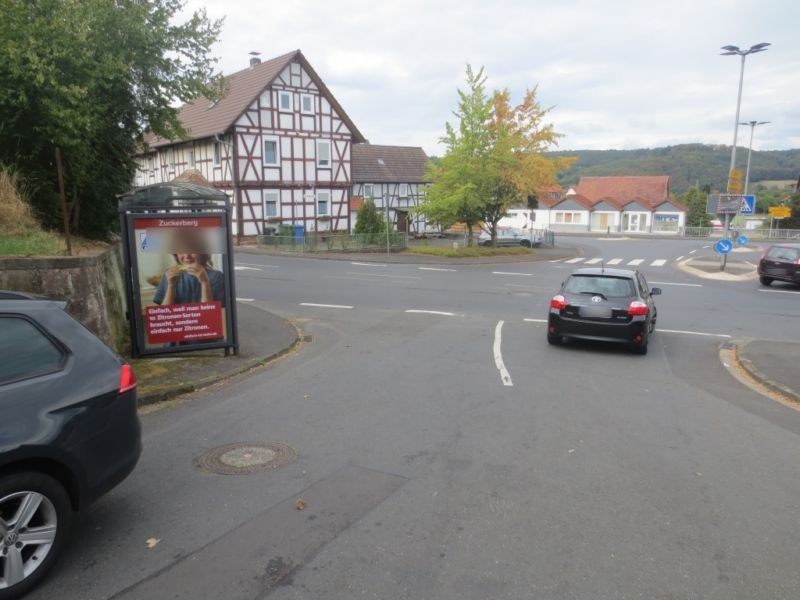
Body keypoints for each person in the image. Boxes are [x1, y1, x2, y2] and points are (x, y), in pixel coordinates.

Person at [152, 251, 225, 307]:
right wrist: (171, 285)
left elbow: (211, 313)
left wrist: (204, 282)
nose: (187, 256)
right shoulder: (169, 275)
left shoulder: (216, 276)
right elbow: (164, 315)